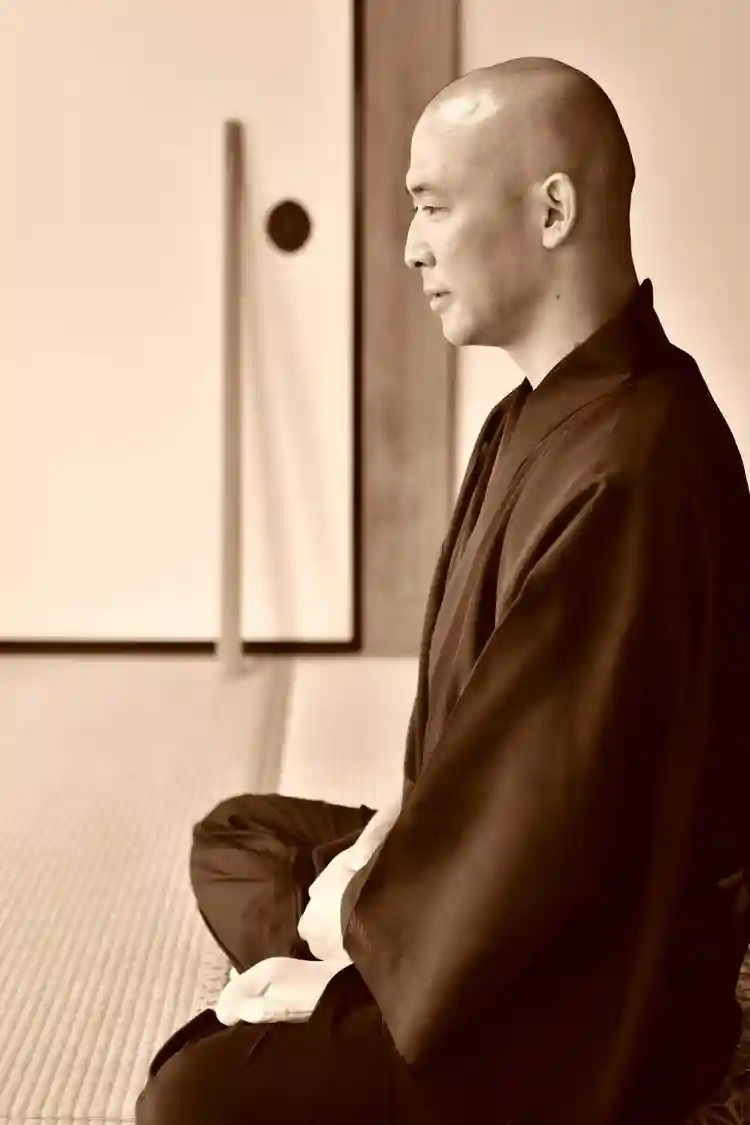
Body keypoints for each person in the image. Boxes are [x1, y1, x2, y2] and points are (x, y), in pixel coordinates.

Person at [135, 56, 750, 1125]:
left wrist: (356, 960)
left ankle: (374, 982)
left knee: (191, 1092)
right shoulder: (535, 416)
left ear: (551, 210)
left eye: (432, 207)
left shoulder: (634, 468)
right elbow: (475, 763)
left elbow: (544, 828)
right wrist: (374, 877)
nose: (412, 246)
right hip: (491, 889)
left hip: (594, 993)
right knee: (237, 838)